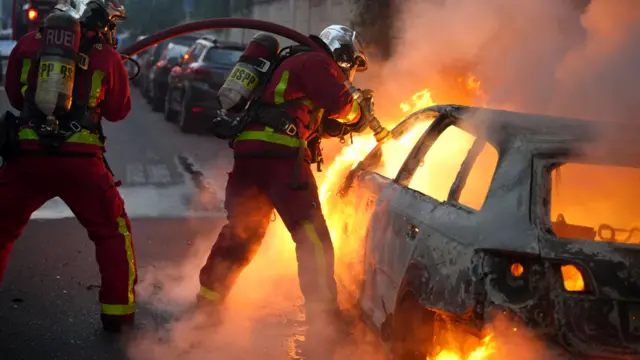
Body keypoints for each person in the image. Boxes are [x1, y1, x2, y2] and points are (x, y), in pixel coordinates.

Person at [198, 25, 374, 331]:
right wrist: (360, 113)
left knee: (242, 234)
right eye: (351, 64)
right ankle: (325, 320)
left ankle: (206, 305)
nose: (348, 72)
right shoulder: (317, 62)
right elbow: (343, 105)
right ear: (343, 54)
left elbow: (305, 115)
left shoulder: (289, 62)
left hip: (249, 154)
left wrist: (333, 126)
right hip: (279, 157)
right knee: (313, 238)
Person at [0, 0, 135, 333]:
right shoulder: (106, 54)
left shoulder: (30, 43)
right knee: (111, 233)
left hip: (27, 158)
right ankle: (118, 313)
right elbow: (119, 111)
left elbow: (15, 99)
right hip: (81, 163)